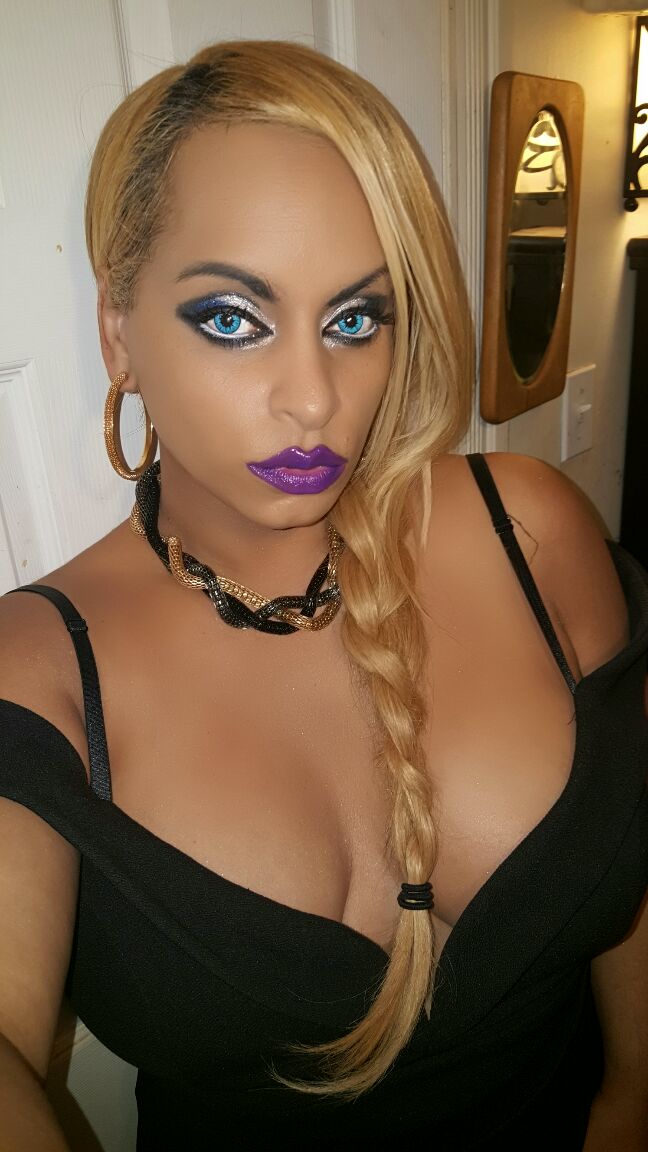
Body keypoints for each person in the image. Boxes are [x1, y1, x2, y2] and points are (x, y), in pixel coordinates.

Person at [0, 39, 646, 1152]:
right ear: (118, 331)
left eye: (355, 319)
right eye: (231, 318)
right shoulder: (44, 668)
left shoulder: (532, 530)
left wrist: (631, 1099)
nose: (313, 399)